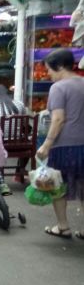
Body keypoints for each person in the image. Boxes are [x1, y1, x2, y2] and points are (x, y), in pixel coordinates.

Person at [36, 49, 84, 239]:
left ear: (61, 66)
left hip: (64, 145)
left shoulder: (58, 87)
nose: (48, 74)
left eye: (49, 70)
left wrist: (46, 145)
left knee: (58, 186)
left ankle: (63, 227)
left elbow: (58, 119)